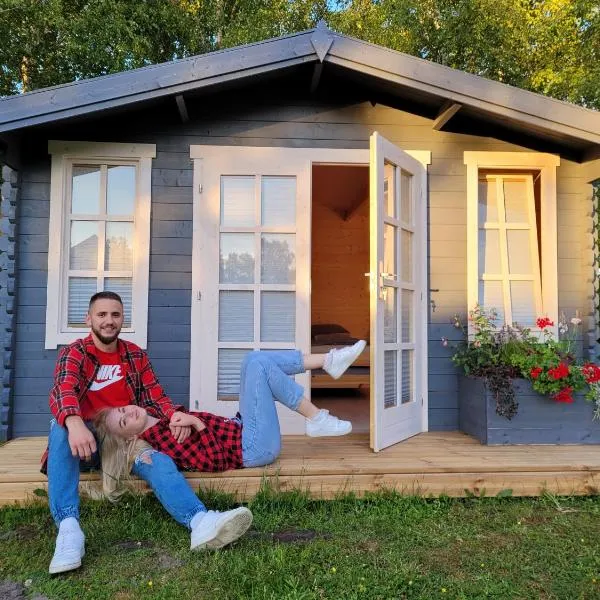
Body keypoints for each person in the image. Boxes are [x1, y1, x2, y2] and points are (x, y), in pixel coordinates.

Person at [44, 291, 254, 575]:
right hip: (85, 442)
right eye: (101, 314)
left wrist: (174, 415)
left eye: (115, 314)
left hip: (127, 440)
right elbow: (63, 389)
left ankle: (200, 522)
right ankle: (69, 531)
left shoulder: (134, 355)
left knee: (157, 459)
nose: (109, 321)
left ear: (123, 319)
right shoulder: (76, 353)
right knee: (60, 427)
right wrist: (75, 422)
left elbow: (156, 396)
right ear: (88, 319)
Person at [93, 342, 367, 491]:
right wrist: (197, 423)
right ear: (130, 438)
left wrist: (184, 418)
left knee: (251, 360)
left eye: (122, 409)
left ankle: (328, 361)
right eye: (124, 421)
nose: (129, 412)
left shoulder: (165, 419)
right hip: (253, 448)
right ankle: (316, 416)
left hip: (243, 429)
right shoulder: (163, 440)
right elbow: (215, 461)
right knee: (259, 366)